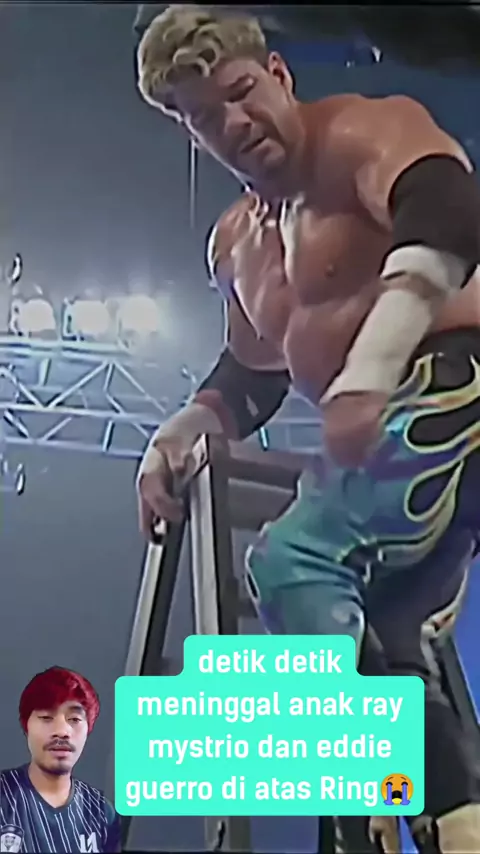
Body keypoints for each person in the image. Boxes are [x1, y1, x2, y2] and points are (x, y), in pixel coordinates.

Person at [134, 5, 480, 850]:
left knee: (293, 562)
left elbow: (451, 213)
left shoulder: (361, 134)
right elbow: (252, 374)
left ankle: (374, 802)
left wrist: (371, 366)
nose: (233, 123)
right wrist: (181, 428)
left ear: (280, 76)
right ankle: (449, 821)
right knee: (384, 630)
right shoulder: (239, 246)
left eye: (241, 93)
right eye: (205, 116)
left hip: (455, 376)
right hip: (394, 431)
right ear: (188, 133)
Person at [0, 667, 121, 853]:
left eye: (74, 719)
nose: (62, 731)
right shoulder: (5, 796)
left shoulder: (101, 813)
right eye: (46, 717)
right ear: (26, 727)